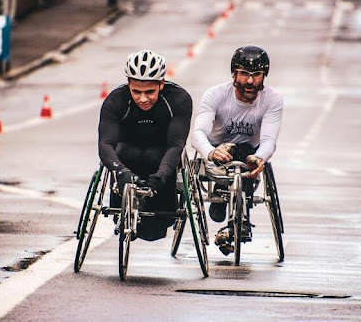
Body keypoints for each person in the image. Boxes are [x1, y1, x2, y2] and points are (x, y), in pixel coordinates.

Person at [191, 45, 283, 255]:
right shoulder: (215, 95)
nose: (250, 81)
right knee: (232, 151)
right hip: (215, 153)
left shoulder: (273, 99)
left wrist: (259, 158)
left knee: (245, 153)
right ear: (234, 74)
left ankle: (240, 221)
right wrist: (211, 152)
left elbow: (269, 140)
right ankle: (221, 199)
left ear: (264, 76)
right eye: (244, 74)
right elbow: (197, 134)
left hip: (248, 154)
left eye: (256, 75)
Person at [98, 49, 193, 241]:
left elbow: (176, 145)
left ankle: (155, 207)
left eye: (149, 91)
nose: (143, 99)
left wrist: (163, 174)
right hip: (127, 154)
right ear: (128, 85)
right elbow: (106, 143)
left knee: (154, 233)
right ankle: (124, 206)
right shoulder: (116, 100)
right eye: (136, 91)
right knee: (123, 152)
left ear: (161, 84)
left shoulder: (179, 99)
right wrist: (120, 171)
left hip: (160, 157)